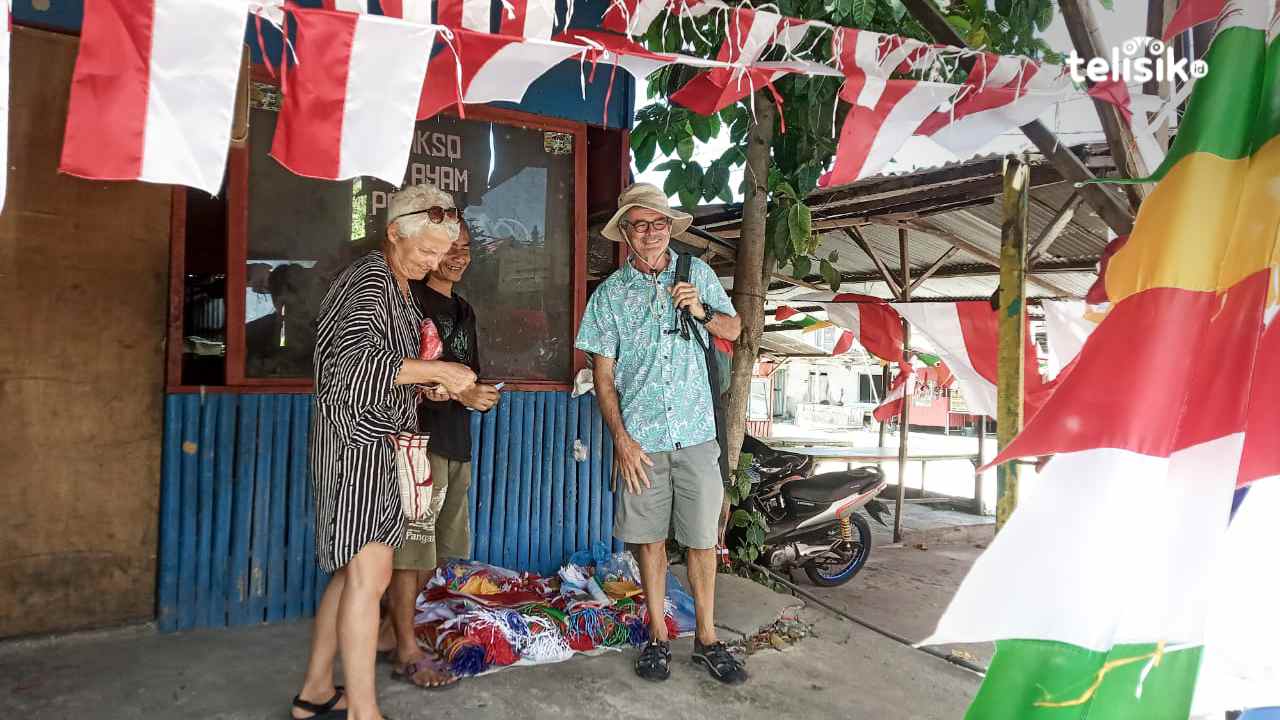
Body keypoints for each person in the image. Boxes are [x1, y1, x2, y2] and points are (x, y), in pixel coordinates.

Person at [290, 183, 476, 720]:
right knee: (370, 578)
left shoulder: (397, 287)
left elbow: (388, 370)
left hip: (381, 446)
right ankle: (363, 712)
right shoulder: (369, 283)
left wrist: (427, 385)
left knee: (352, 577)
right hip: (359, 450)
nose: (434, 261)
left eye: (441, 253)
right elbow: (351, 368)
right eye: (425, 251)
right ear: (393, 232)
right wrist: (438, 370)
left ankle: (316, 692)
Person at [574, 182, 746, 684]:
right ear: (625, 233)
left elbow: (734, 330)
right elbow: (603, 378)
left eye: (656, 223)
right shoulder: (609, 296)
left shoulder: (700, 275)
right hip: (642, 441)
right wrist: (621, 440)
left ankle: (708, 640)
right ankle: (658, 635)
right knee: (648, 541)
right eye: (638, 225)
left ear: (669, 228)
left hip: (695, 433)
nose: (648, 233)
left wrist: (703, 311)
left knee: (700, 542)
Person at [382, 219, 500, 690]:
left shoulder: (464, 309)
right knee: (411, 550)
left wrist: (478, 393)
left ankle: (393, 632)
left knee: (439, 550)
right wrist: (458, 394)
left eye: (465, 248)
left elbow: (466, 375)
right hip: (418, 442)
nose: (457, 257)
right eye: (448, 248)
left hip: (456, 442)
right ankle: (405, 649)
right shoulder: (408, 301)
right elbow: (406, 376)